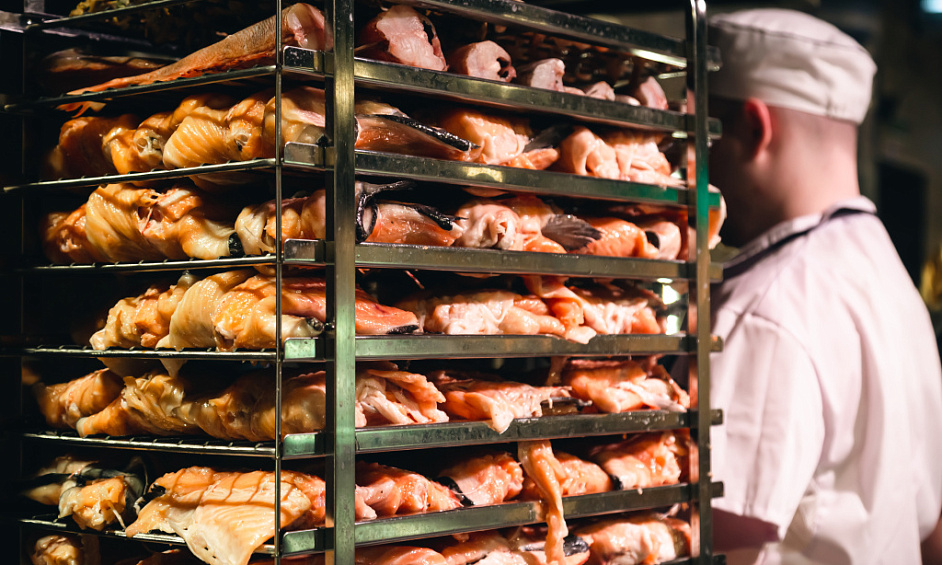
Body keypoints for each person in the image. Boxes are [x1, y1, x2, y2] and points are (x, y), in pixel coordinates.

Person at [703, 9, 942, 564]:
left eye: (707, 133)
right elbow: (929, 526)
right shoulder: (889, 276)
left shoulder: (770, 302)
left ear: (754, 127)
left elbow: (717, 538)